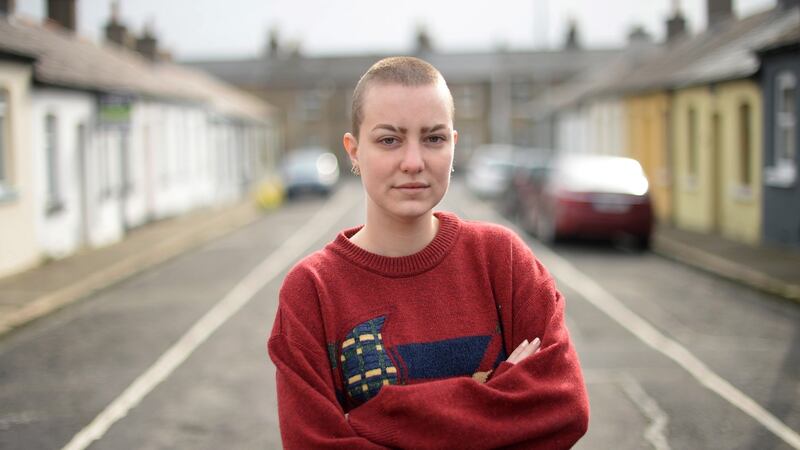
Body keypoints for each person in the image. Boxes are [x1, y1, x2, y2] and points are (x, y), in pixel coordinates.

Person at [268, 56, 589, 449]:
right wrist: (497, 396)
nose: (414, 162)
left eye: (433, 138)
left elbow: (563, 407)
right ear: (353, 151)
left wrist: (377, 420)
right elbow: (312, 443)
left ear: (453, 146)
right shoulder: (311, 290)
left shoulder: (502, 260)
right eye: (389, 140)